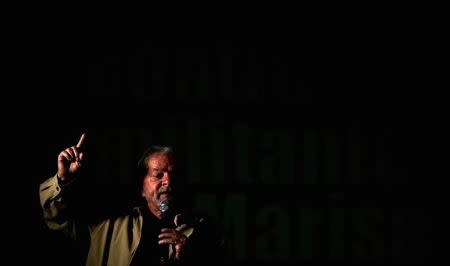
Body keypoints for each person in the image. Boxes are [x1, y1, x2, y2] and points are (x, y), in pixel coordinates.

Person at [39, 133, 227, 266]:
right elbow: (58, 221)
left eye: (173, 175)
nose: (168, 181)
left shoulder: (204, 230)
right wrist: (63, 180)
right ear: (141, 188)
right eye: (158, 174)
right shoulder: (110, 225)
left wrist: (193, 256)